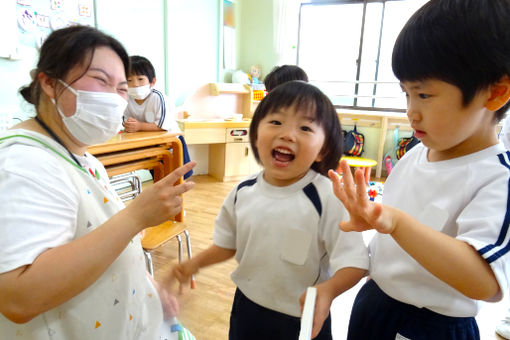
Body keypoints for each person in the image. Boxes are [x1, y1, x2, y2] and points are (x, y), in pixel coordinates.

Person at [328, 0, 510, 339]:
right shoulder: (418, 153)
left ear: (495, 93)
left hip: (433, 324)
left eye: (424, 95)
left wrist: (396, 223)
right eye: (406, 94)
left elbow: (484, 282)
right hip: (376, 301)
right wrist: (372, 220)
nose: (411, 111)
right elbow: (398, 233)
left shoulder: (496, 177)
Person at [0, 25, 196, 340]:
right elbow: (18, 297)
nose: (116, 97)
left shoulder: (82, 156)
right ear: (50, 83)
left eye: (121, 87)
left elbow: (94, 239)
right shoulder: (23, 164)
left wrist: (145, 290)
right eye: (101, 80)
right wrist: (136, 217)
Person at [172, 81, 369, 340]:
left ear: (323, 150)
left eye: (305, 127)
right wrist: (194, 264)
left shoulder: (329, 197)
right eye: (276, 122)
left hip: (303, 314)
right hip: (248, 308)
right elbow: (228, 244)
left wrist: (328, 291)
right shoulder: (242, 192)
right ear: (254, 135)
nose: (287, 134)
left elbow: (354, 262)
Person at [123, 55, 193, 179]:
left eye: (140, 79)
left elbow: (162, 126)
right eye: (129, 80)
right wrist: (129, 125)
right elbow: (127, 122)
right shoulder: (126, 99)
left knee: (178, 177)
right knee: (159, 176)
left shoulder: (158, 98)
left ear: (152, 82)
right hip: (150, 142)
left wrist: (138, 126)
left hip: (170, 142)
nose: (135, 84)